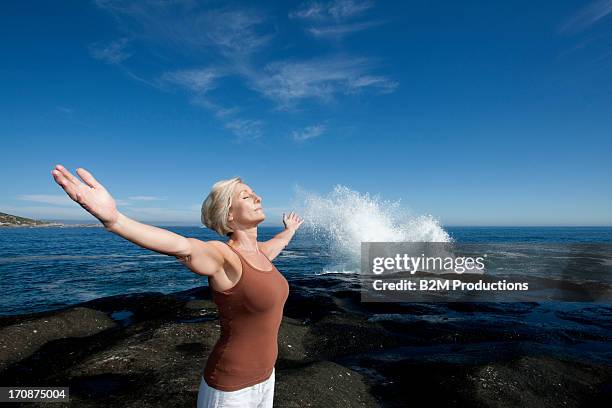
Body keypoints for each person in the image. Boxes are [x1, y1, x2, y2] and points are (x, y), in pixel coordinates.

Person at [51, 164, 304, 407]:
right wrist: (115, 220)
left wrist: (289, 230)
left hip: (266, 379)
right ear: (229, 214)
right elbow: (182, 246)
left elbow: (276, 244)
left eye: (254, 193)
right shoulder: (224, 257)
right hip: (231, 388)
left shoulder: (260, 254)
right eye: (246, 197)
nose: (258, 197)